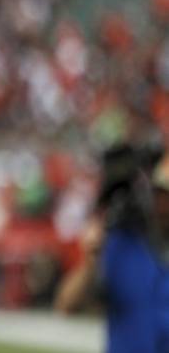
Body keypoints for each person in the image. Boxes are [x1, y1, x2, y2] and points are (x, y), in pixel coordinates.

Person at [54, 145, 169, 353]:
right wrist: (90, 262)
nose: (164, 204)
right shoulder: (123, 244)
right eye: (160, 194)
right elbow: (67, 305)